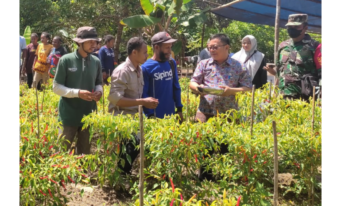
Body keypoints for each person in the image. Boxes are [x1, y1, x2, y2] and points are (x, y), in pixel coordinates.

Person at [190, 34, 252, 181]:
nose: (212, 50)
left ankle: (225, 178)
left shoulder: (238, 66)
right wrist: (198, 88)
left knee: (225, 148)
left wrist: (232, 91)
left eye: (215, 47)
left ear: (226, 47)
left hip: (227, 114)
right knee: (205, 147)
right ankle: (205, 178)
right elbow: (192, 82)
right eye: (209, 47)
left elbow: (248, 88)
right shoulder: (204, 64)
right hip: (205, 112)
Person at [108, 37, 159, 174]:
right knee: (130, 147)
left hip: (134, 116)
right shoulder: (122, 71)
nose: (147, 55)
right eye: (144, 52)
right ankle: (120, 177)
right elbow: (116, 100)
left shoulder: (139, 70)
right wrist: (143, 102)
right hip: (121, 117)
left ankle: (124, 174)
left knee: (137, 146)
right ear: (134, 53)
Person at [53, 27, 103, 155]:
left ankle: (83, 175)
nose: (94, 44)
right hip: (68, 116)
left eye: (95, 41)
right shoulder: (66, 60)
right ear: (80, 43)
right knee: (62, 153)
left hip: (88, 116)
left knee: (85, 154)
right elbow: (57, 87)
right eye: (90, 41)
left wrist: (99, 92)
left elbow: (98, 83)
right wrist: (78, 93)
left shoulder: (96, 62)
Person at [264, 14, 320, 101]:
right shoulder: (282, 46)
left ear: (305, 28)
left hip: (306, 99)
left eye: (296, 27)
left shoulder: (315, 47)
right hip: (284, 97)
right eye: (290, 26)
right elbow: (280, 73)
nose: (292, 29)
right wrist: (274, 93)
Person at [142, 32, 183, 120]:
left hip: (171, 116)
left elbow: (176, 87)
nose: (170, 51)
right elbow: (143, 93)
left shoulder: (171, 63)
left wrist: (179, 108)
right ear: (156, 47)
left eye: (170, 47)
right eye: (167, 47)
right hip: (154, 117)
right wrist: (150, 115)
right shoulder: (146, 67)